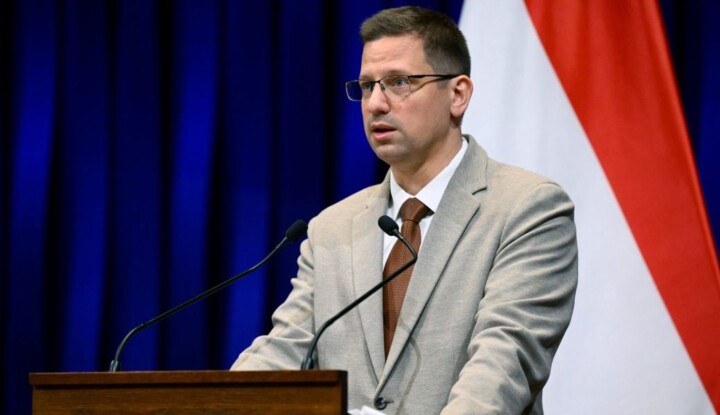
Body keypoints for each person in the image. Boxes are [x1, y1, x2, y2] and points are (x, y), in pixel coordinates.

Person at [231, 6, 578, 414]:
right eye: (366, 86)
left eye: (398, 82)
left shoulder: (527, 209)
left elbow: (502, 365)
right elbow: (283, 352)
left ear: (458, 94)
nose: (376, 104)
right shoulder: (332, 228)